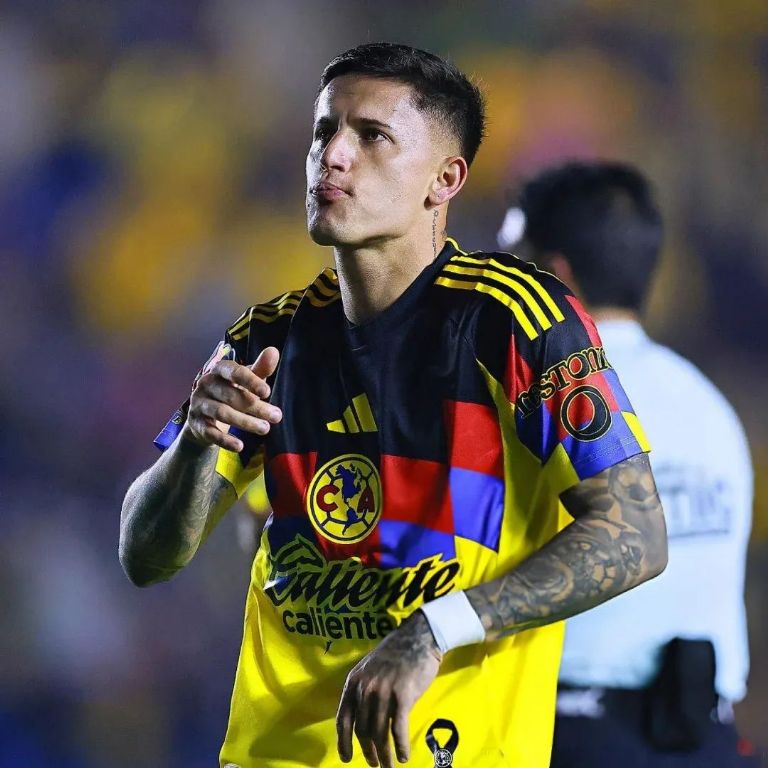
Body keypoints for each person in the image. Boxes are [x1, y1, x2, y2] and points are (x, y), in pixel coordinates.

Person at [119, 45, 667, 768]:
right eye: (324, 131)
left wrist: (434, 630)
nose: (333, 156)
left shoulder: (514, 320)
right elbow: (147, 558)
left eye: (372, 135)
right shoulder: (266, 338)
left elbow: (635, 534)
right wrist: (195, 444)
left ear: (445, 179)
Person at [501, 160, 757, 767]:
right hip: (708, 741)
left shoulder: (540, 401)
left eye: (510, 264)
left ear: (553, 276)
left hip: (571, 738)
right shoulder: (711, 408)